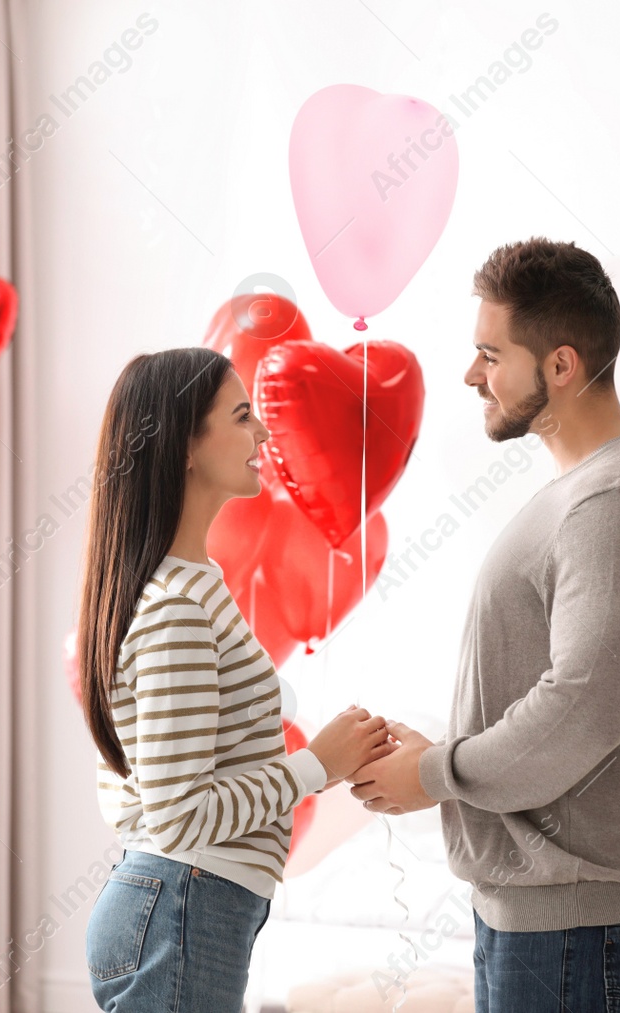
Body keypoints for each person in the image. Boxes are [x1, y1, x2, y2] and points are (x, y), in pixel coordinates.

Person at [349, 238, 620, 1012]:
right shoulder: (584, 494)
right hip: (546, 921)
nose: (472, 374)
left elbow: (580, 709)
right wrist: (435, 754)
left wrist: (435, 774)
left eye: (489, 352)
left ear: (562, 366)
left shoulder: (613, 505)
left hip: (573, 927)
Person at [78, 347, 396, 1013]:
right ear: (185, 447)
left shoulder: (192, 586)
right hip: (184, 903)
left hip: (185, 903)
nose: (264, 434)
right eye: (244, 415)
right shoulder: (178, 607)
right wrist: (317, 765)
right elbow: (178, 813)